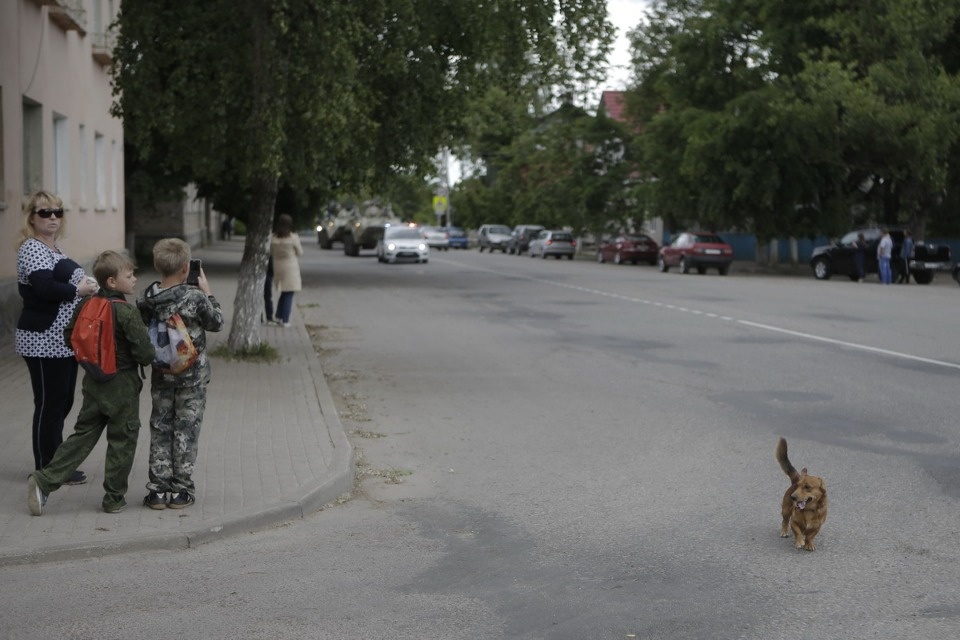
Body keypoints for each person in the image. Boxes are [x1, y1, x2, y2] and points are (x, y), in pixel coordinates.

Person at [27, 251, 156, 515]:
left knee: (81, 437)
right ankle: (113, 499)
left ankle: (44, 480)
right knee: (123, 440)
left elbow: (69, 337)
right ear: (111, 282)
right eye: (129, 276)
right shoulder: (127, 313)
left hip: (94, 383)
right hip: (123, 386)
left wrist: (93, 360)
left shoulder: (84, 305)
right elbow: (145, 354)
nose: (134, 280)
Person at [16, 190, 98, 484]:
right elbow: (44, 289)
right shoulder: (32, 248)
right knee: (49, 402)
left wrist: (89, 283)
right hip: (40, 340)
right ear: (32, 217)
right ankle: (47, 468)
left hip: (62, 341)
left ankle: (55, 461)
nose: (52, 218)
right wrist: (79, 289)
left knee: (62, 402)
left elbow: (78, 276)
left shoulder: (56, 250)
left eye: (57, 212)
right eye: (45, 213)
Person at [138, 239, 224, 509]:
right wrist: (209, 293)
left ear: (157, 265)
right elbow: (217, 322)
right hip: (192, 377)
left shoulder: (148, 297)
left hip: (162, 375)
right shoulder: (195, 298)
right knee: (186, 430)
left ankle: (157, 491)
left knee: (160, 428)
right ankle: (181, 491)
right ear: (187, 268)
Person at [269, 213, 303, 328]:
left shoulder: (273, 238)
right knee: (289, 293)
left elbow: (270, 252)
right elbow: (300, 252)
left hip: (278, 266)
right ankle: (286, 320)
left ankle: (279, 316)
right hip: (290, 267)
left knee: (284, 291)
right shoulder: (293, 238)